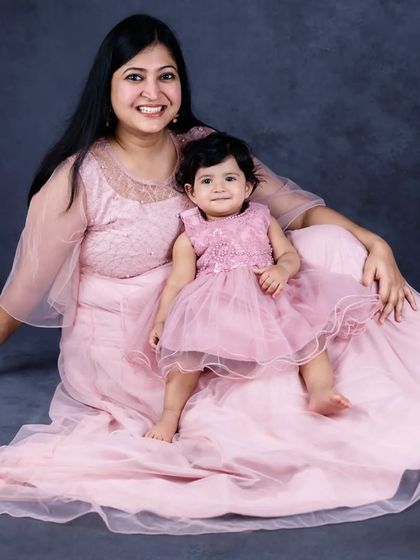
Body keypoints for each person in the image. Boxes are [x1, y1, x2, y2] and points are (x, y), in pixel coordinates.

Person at [0, 13, 419, 534]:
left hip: (227, 303)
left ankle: (359, 389)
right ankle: (281, 398)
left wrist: (375, 242)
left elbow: (292, 208)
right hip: (140, 342)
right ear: (106, 87)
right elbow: (20, 294)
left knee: (333, 245)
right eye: (134, 76)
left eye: (166, 75)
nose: (153, 92)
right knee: (259, 408)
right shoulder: (78, 177)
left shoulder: (202, 146)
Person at [143, 132, 381, 442]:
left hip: (267, 294)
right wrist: (163, 319)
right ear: (191, 191)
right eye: (207, 181)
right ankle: (169, 417)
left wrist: (282, 270)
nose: (218, 188)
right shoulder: (191, 235)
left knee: (309, 339)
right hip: (215, 305)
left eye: (229, 178)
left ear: (247, 187)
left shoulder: (261, 218)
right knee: (185, 360)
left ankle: (321, 390)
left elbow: (287, 254)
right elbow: (178, 282)